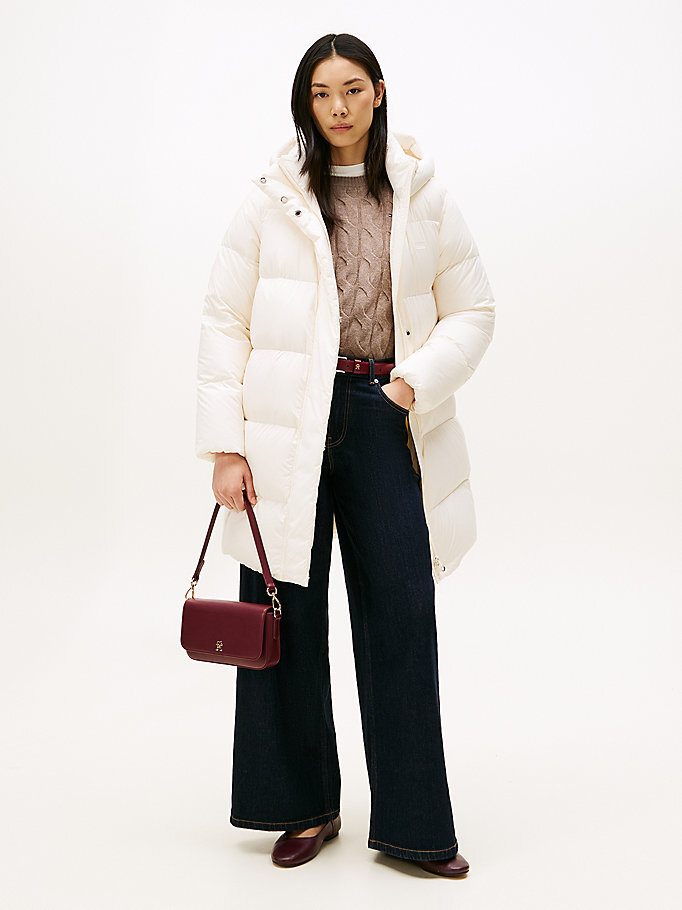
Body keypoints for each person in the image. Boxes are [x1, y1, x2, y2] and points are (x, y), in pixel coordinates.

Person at [194, 33, 495, 876]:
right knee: (284, 613)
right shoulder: (271, 198)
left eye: (352, 89)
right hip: (283, 421)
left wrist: (411, 385)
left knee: (401, 614)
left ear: (378, 92)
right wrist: (225, 446)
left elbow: (475, 309)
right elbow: (224, 320)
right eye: (321, 93)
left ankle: (416, 827)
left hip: (382, 411)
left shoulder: (424, 194)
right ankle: (300, 806)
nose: (337, 107)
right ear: (306, 103)